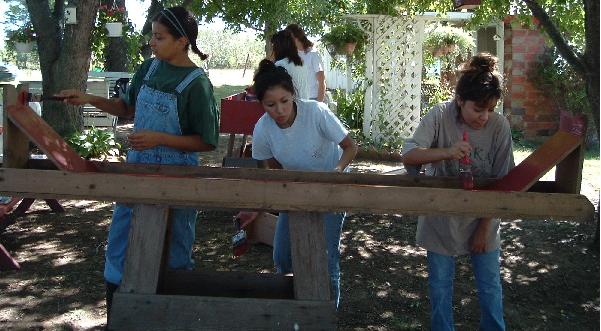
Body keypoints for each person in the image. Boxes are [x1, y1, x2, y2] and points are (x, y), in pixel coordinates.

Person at [59, 6, 219, 321]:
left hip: (177, 179)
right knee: (121, 242)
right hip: (136, 172)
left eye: (159, 38)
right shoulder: (149, 69)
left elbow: (206, 141)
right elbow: (125, 109)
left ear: (182, 40)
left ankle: (168, 318)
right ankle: (117, 316)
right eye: (152, 37)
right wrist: (89, 98)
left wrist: (161, 138)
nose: (152, 44)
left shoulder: (197, 84)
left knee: (173, 247)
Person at [401, 53, 513, 331]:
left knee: (490, 287)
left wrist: (485, 227)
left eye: (490, 109)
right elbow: (408, 155)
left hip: (484, 216)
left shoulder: (499, 126)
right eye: (477, 110)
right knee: (440, 288)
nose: (484, 117)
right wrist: (448, 152)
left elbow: (506, 183)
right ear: (460, 100)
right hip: (441, 219)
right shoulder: (439, 115)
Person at [251, 59, 358, 307]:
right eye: (270, 105)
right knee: (283, 256)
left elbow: (351, 147)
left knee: (326, 259)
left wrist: (337, 171)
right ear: (262, 105)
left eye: (284, 101)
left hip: (331, 190)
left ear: (293, 96)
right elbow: (267, 168)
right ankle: (292, 309)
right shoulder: (262, 129)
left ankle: (326, 314)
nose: (279, 110)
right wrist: (283, 191)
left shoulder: (316, 112)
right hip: (296, 193)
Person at [286, 24, 326, 102]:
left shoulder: (313, 54)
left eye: (288, 38)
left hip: (312, 99)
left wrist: (319, 104)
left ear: (295, 37)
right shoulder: (292, 55)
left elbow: (322, 81)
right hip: (297, 100)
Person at [271, 29, 310, 100]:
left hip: (293, 108)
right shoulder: (301, 63)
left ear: (278, 47)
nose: (273, 50)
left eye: (274, 46)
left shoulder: (280, 65)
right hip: (305, 105)